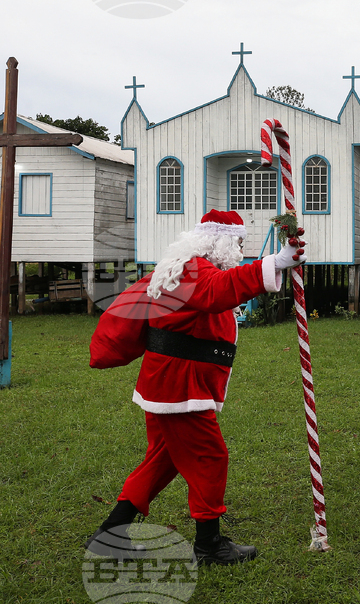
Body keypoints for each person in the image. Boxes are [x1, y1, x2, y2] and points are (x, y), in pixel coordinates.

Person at [86, 210, 306, 565]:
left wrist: (276, 267)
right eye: (236, 242)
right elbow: (215, 292)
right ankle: (209, 545)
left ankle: (109, 533)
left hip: (169, 381)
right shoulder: (195, 271)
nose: (239, 249)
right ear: (217, 240)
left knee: (163, 459)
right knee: (209, 457)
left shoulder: (182, 265)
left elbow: (220, 291)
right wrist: (272, 264)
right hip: (179, 386)